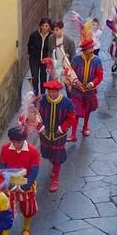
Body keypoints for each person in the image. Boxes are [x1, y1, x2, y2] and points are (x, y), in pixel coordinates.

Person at [37, 61, 76, 192]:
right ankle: (54, 166)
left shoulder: (67, 103)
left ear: (59, 91)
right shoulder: (42, 101)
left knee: (58, 156)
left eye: (54, 92)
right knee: (49, 154)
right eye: (50, 92)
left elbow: (71, 118)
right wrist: (40, 126)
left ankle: (55, 179)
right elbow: (36, 115)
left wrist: (62, 128)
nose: (52, 94)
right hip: (45, 133)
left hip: (59, 134)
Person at [0, 125, 41, 235]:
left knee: (27, 208)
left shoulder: (32, 151)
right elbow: (3, 167)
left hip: (26, 183)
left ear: (24, 140)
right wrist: (8, 182)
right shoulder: (4, 149)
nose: (16, 144)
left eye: (19, 142)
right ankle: (6, 230)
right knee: (8, 209)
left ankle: (26, 228)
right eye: (13, 141)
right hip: (10, 183)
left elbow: (34, 170)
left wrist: (26, 185)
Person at [68, 28, 104, 139]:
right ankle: (73, 134)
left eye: (92, 47)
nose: (92, 50)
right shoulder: (76, 60)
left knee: (88, 110)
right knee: (75, 112)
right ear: (84, 50)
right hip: (77, 91)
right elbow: (70, 73)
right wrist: (76, 82)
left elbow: (100, 76)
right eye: (90, 48)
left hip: (90, 91)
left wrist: (92, 84)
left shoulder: (97, 60)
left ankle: (85, 127)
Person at [27, 17, 52, 94]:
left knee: (43, 78)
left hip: (45, 61)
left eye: (46, 26)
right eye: (43, 25)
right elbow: (29, 45)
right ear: (40, 26)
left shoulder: (51, 37)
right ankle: (36, 94)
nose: (44, 28)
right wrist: (32, 54)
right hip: (34, 59)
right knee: (35, 78)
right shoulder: (34, 35)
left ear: (49, 27)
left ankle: (43, 94)